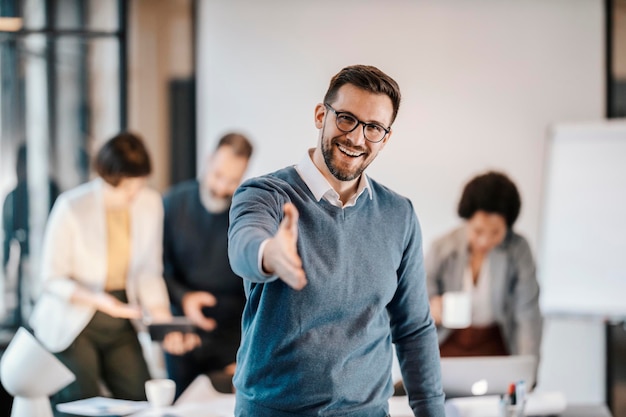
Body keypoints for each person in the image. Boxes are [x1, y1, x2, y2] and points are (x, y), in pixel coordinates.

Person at [228, 65, 445, 417]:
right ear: (320, 115)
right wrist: (269, 254)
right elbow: (244, 244)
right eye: (346, 118)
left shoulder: (399, 214)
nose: (357, 138)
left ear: (385, 137)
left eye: (373, 128)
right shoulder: (264, 194)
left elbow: (414, 329)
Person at [29, 132, 198, 415]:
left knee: (139, 396)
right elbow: (51, 278)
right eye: (126, 186)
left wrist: (163, 322)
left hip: (123, 316)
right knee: (82, 403)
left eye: (139, 183)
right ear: (107, 178)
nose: (134, 193)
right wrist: (102, 301)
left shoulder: (149, 202)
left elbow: (149, 271)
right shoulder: (72, 206)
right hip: (74, 318)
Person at [162, 132, 253, 397]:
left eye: (233, 180)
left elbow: (253, 284)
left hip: (231, 337)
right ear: (208, 160)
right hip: (182, 333)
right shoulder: (172, 204)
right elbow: (158, 271)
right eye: (218, 175)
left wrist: (248, 349)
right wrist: (185, 297)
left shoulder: (246, 211)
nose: (222, 187)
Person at [426, 171, 543, 360]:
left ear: (508, 226)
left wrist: (527, 370)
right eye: (478, 230)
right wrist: (431, 309)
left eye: (495, 232)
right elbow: (417, 302)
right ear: (467, 220)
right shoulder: (441, 248)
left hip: (497, 345)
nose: (484, 241)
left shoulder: (518, 250)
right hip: (447, 343)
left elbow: (527, 314)